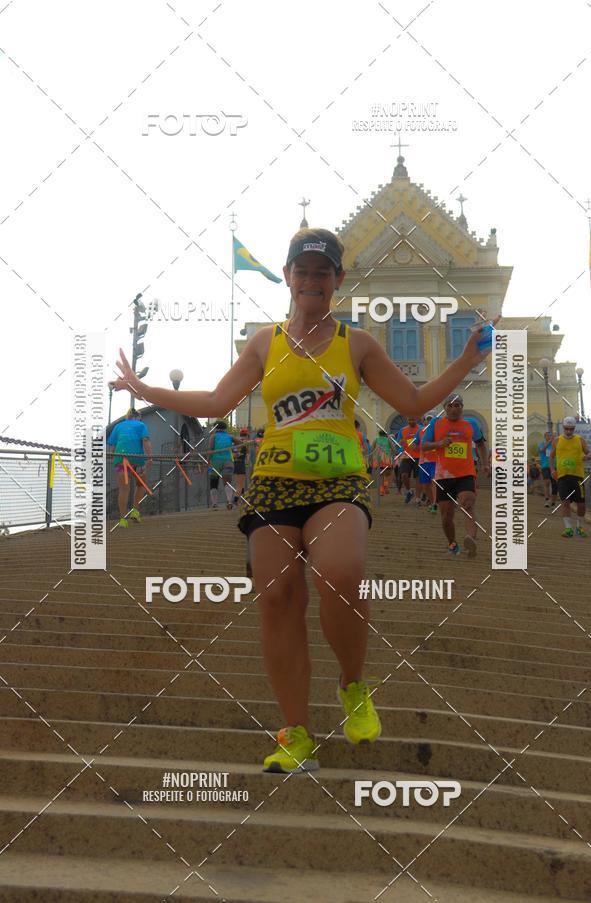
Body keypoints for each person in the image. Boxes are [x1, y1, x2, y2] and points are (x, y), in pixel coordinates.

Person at [110, 226, 495, 774]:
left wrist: (465, 362)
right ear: (288, 278)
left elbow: (412, 400)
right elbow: (219, 398)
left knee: (341, 573)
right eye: (302, 270)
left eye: (323, 271)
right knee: (277, 599)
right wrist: (148, 392)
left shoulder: (356, 343)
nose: (312, 280)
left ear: (337, 280)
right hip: (272, 482)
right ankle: (296, 732)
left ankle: (353, 684)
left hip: (338, 481)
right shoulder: (264, 342)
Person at [421, 397, 490, 557]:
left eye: (457, 405)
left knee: (467, 504)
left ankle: (470, 540)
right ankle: (452, 543)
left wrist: (485, 463)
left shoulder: (471, 424)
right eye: (450, 406)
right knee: (446, 515)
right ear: (444, 407)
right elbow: (424, 445)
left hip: (465, 473)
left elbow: (480, 444)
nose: (453, 409)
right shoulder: (436, 424)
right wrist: (439, 444)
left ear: (462, 407)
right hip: (443, 475)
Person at [107, 408, 152, 528]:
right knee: (141, 484)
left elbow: (112, 446)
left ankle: (122, 519)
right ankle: (135, 511)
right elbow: (146, 440)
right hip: (137, 459)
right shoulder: (141, 425)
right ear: (138, 417)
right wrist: (150, 457)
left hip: (120, 459)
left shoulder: (118, 426)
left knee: (123, 489)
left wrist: (114, 458)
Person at [549, 416, 591, 537]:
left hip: (577, 476)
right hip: (562, 476)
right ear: (563, 428)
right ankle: (568, 529)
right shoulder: (557, 440)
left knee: (581, 503)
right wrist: (552, 470)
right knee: (565, 502)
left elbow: (589, 453)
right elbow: (551, 457)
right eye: (566, 429)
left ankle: (580, 526)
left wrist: (587, 456)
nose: (568, 431)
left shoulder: (580, 439)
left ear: (574, 428)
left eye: (571, 429)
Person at [207, 421, 239, 510]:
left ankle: (214, 504)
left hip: (215, 461)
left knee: (214, 482)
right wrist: (234, 450)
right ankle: (229, 501)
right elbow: (240, 442)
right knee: (227, 482)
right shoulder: (230, 436)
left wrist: (207, 461)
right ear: (225, 428)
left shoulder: (213, 436)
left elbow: (210, 449)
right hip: (228, 461)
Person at [413, 413, 437, 512]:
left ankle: (435, 503)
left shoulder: (438, 430)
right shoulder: (420, 431)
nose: (429, 421)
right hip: (423, 461)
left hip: (435, 461)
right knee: (425, 484)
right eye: (427, 419)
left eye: (431, 419)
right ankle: (432, 502)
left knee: (434, 482)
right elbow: (414, 443)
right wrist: (415, 446)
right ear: (424, 421)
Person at [396, 415, 420, 503]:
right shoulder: (403, 430)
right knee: (404, 475)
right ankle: (409, 491)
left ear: (416, 419)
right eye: (410, 419)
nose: (411, 421)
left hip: (419, 456)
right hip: (407, 456)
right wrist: (400, 444)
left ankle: (418, 497)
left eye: (413, 419)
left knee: (418, 477)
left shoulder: (421, 429)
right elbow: (398, 443)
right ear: (407, 419)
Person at [538, 431, 557, 508]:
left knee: (554, 484)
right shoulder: (541, 444)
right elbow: (542, 450)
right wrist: (549, 441)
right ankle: (547, 499)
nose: (549, 437)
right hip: (545, 466)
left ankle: (553, 502)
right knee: (547, 482)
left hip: (554, 466)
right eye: (547, 436)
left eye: (550, 436)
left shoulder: (554, 444)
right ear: (545, 437)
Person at [372, 429, 393, 495]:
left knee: (380, 475)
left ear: (379, 434)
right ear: (385, 434)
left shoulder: (376, 440)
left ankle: (381, 491)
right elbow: (393, 449)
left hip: (378, 459)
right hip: (386, 459)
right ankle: (386, 487)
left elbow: (372, 449)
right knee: (388, 474)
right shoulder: (388, 440)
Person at [233, 427, 250, 505]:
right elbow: (247, 454)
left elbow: (233, 454)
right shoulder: (246, 442)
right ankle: (235, 500)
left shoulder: (235, 442)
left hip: (235, 463)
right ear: (246, 435)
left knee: (239, 484)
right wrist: (247, 463)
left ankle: (241, 500)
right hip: (241, 463)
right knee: (240, 485)